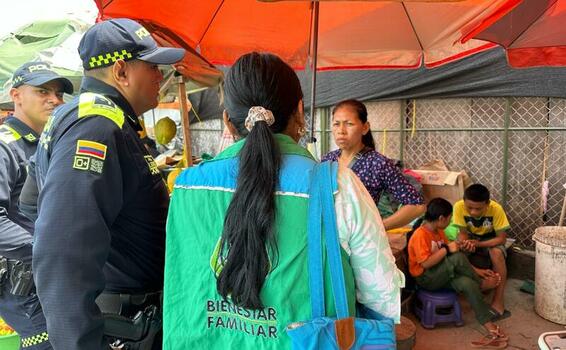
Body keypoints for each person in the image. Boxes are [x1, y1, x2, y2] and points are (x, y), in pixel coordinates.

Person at [163, 52, 404, 349]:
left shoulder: (186, 186)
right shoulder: (336, 186)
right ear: (300, 113)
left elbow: (181, 283)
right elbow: (381, 293)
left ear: (228, 121)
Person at [31, 18, 185, 349]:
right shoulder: (96, 128)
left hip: (128, 316)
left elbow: (33, 203)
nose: (161, 76)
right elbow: (62, 248)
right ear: (121, 71)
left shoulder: (90, 117)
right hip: (122, 325)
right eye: (152, 66)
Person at [0, 61, 72, 349]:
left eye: (58, 93)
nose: (54, 99)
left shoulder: (46, 143)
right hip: (23, 283)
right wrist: (51, 249)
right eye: (43, 91)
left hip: (49, 276)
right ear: (16, 95)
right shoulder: (6, 145)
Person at [408, 198, 508, 349]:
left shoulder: (439, 231)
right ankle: (481, 284)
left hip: (441, 273)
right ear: (441, 218)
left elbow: (451, 259)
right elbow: (426, 263)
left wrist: (477, 271)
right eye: (449, 219)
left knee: (467, 283)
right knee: (457, 257)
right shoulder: (420, 235)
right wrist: (447, 249)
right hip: (426, 277)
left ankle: (489, 325)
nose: (450, 222)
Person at [322, 99, 425, 230]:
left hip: (360, 243)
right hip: (329, 238)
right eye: (336, 124)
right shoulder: (327, 160)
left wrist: (378, 227)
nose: (341, 130)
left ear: (365, 128)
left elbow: (416, 205)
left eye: (349, 124)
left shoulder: (377, 163)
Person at [453, 184, 511, 321]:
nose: (473, 212)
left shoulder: (496, 209)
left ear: (487, 204)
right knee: (455, 249)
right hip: (471, 239)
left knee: (497, 253)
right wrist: (464, 243)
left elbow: (501, 239)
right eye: (469, 208)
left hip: (492, 241)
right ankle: (472, 288)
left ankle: (498, 301)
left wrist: (478, 244)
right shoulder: (458, 206)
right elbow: (462, 234)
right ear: (464, 201)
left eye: (478, 208)